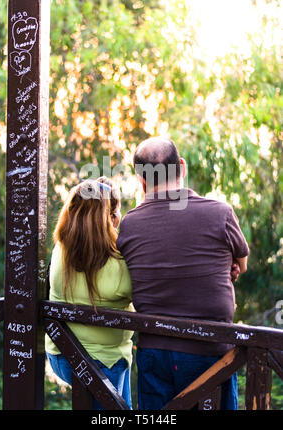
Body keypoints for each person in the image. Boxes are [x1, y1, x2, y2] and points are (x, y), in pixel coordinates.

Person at [117, 137, 250, 410]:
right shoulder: (221, 213)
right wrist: (228, 267)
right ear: (181, 167)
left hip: (154, 351)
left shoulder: (129, 224)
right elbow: (242, 265)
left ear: (142, 180)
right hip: (209, 353)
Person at [45, 177, 134, 410]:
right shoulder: (119, 266)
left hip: (60, 354)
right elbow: (148, 293)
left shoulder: (61, 249)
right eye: (115, 214)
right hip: (103, 362)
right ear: (107, 219)